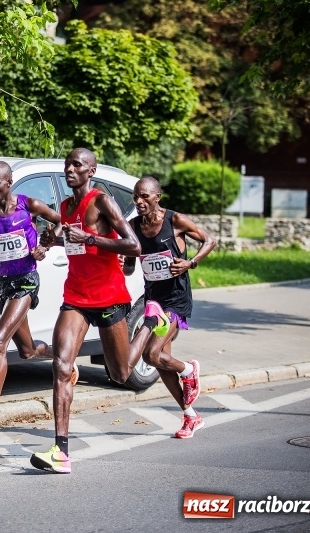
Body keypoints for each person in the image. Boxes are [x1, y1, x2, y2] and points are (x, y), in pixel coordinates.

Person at [31, 147, 141, 474]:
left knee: (120, 374)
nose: (70, 169)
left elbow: (132, 245)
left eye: (77, 165)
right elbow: (69, 239)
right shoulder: (65, 207)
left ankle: (150, 324)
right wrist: (47, 242)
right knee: (62, 365)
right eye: (67, 164)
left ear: (90, 170)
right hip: (76, 295)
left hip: (108, 297)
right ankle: (61, 452)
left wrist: (91, 239)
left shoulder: (102, 201)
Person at [0, 161, 64, 441]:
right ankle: (63, 357)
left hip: (25, 280)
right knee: (27, 350)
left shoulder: (29, 205)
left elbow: (60, 222)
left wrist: (45, 246)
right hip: (1, 283)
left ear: (9, 182)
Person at [125, 176, 216, 439]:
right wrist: (125, 261)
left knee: (151, 355)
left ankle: (189, 370)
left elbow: (209, 240)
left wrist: (191, 263)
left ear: (157, 197)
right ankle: (191, 416)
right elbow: (131, 266)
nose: (139, 202)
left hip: (176, 298)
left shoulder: (174, 221)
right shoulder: (133, 227)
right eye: (136, 197)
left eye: (145, 197)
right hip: (153, 299)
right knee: (163, 363)